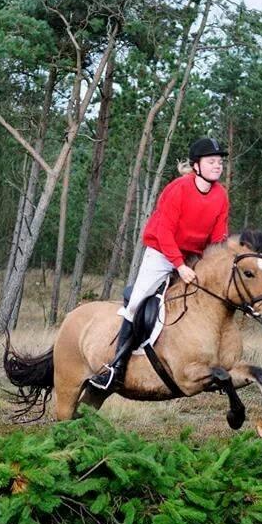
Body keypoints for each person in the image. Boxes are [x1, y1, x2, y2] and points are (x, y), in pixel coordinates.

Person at [88, 136, 230, 391]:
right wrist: (180, 266)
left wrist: (212, 265)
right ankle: (115, 369)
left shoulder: (221, 195)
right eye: (212, 161)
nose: (218, 165)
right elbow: (164, 232)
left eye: (220, 161)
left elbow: (218, 238)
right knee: (136, 303)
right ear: (197, 165)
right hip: (163, 253)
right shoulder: (178, 189)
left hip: (194, 256)